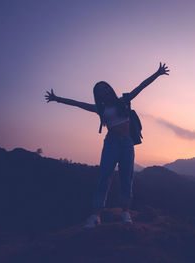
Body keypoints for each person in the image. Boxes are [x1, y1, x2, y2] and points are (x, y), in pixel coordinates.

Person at [45, 62, 169, 227]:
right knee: (105, 176)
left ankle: (125, 211)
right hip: (111, 143)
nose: (104, 92)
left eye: (106, 88)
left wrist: (157, 73)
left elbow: (141, 86)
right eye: (100, 91)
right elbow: (77, 103)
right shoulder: (100, 109)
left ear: (110, 89)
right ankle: (96, 214)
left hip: (127, 143)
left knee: (127, 176)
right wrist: (57, 99)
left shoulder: (124, 100)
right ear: (99, 95)